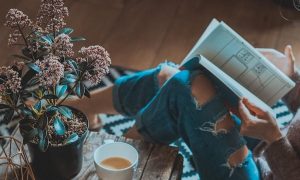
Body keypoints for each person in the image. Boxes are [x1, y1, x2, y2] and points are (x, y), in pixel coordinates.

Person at [66, 45, 300, 180]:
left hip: (266, 166)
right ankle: (82, 107)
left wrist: (275, 140)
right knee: (170, 75)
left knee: (185, 86)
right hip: (267, 148)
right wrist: (291, 77)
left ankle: (125, 154)